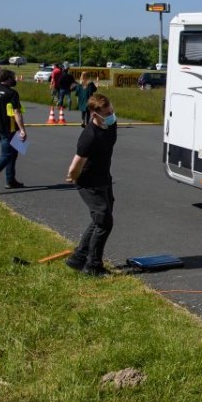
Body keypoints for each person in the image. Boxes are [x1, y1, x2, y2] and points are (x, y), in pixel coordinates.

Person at [64, 93, 118, 276]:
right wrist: (73, 177)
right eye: (107, 112)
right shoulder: (89, 136)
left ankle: (78, 258)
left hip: (104, 179)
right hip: (88, 183)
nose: (111, 115)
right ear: (95, 115)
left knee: (100, 218)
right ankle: (93, 266)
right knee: (104, 221)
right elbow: (75, 166)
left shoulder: (110, 125)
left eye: (111, 110)